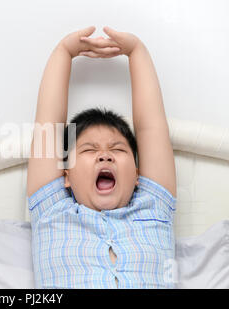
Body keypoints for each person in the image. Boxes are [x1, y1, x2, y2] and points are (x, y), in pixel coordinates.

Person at [26, 26, 177, 288]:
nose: (104, 156)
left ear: (139, 175)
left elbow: (150, 128)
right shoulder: (51, 213)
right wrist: (64, 51)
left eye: (117, 149)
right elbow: (48, 124)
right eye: (89, 150)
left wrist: (137, 51)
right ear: (66, 175)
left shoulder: (154, 208)